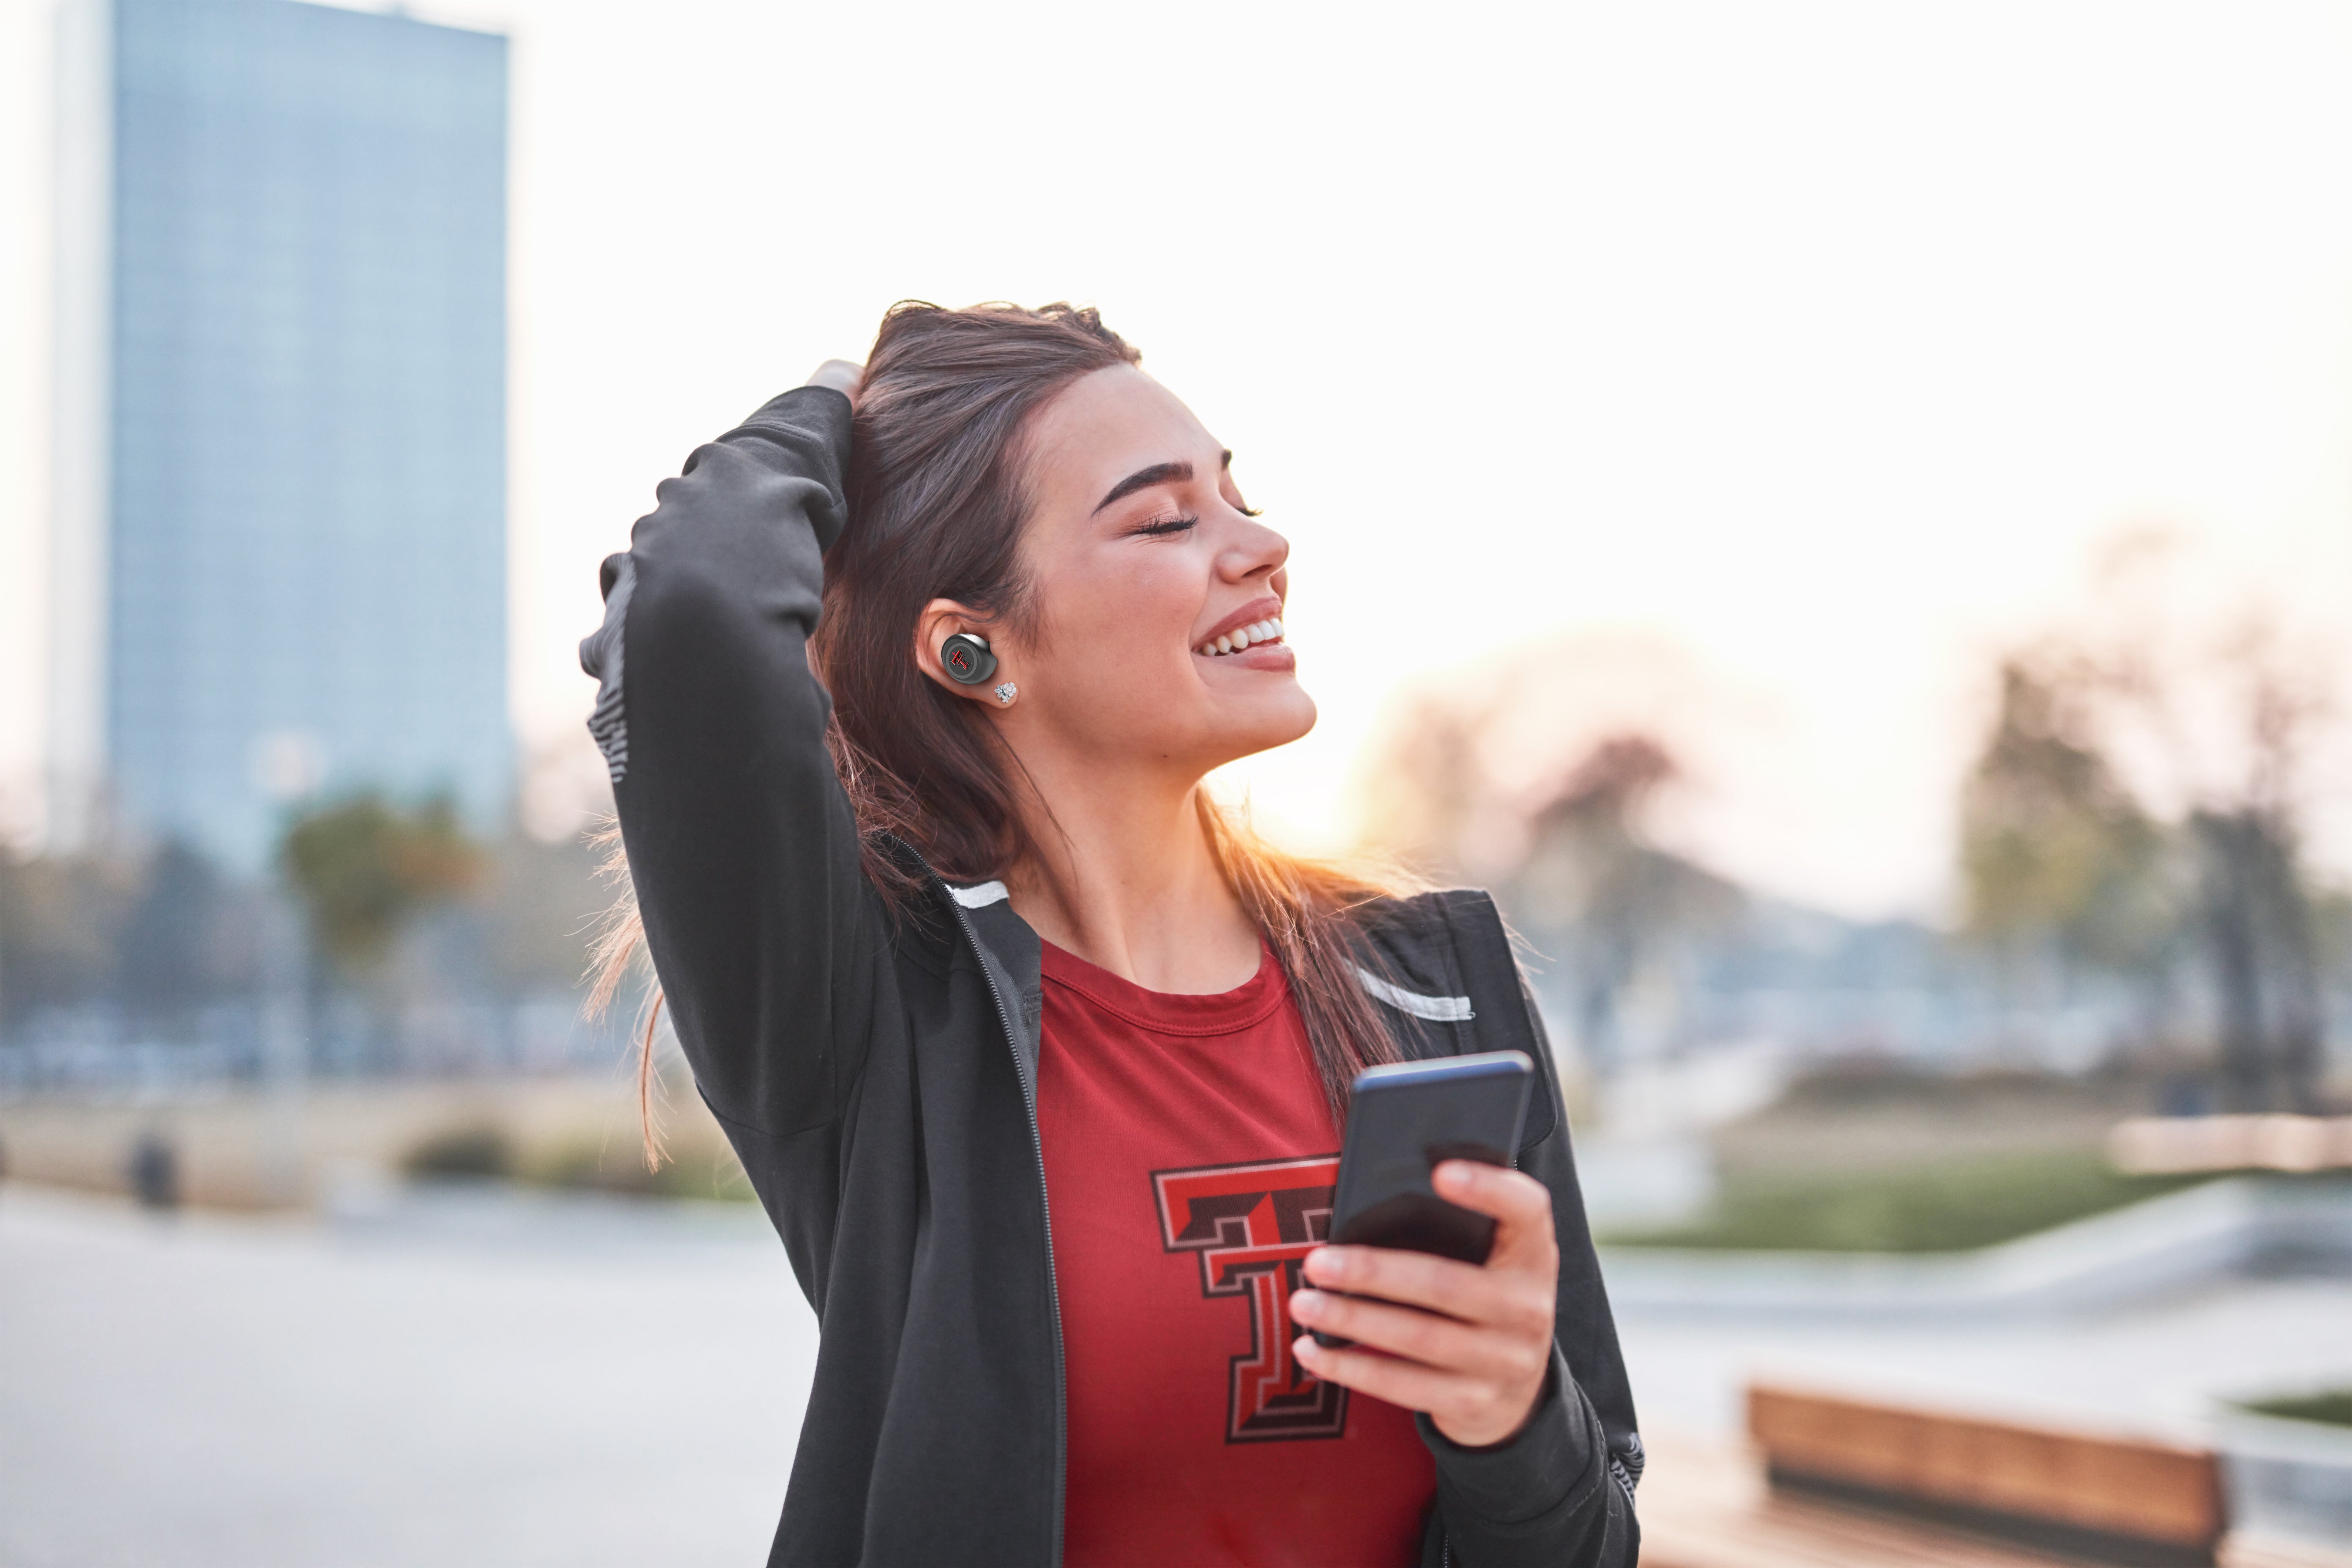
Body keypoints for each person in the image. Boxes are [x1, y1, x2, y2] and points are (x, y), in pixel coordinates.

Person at [583, 302, 1641, 1567]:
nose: (1262, 544)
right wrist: (845, 395)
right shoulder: (872, 1014)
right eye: (1166, 517)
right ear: (971, 647)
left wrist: (1514, 1418)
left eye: (1238, 494)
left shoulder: (1429, 987)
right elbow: (692, 607)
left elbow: (1590, 1543)